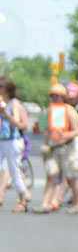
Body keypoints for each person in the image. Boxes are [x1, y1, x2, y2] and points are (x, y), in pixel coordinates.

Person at [33, 83, 78, 214]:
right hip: (53, 147)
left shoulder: (69, 111)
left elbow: (77, 131)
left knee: (71, 177)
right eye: (52, 96)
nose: (54, 98)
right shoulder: (48, 111)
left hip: (67, 147)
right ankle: (45, 203)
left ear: (63, 97)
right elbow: (45, 131)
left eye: (57, 96)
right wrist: (46, 147)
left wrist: (65, 135)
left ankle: (77, 203)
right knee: (50, 175)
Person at [0, 76, 31, 212]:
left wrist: (5, 113)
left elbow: (17, 122)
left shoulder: (13, 103)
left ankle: (23, 201)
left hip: (13, 140)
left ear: (6, 88)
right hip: (3, 139)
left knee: (14, 171)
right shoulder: (3, 102)